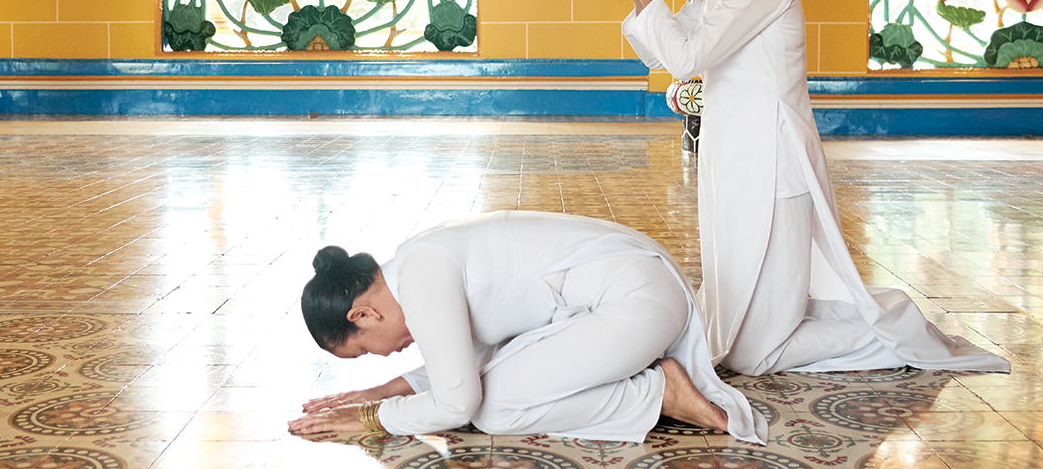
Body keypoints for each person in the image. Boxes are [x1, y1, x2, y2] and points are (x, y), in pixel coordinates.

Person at [615, 0, 1010, 376]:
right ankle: (873, 322)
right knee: (733, 323)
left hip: (774, 172)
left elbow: (687, 58)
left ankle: (897, 330)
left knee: (754, 352)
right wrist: (640, 2)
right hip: (733, 169)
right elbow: (660, 50)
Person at [287, 210, 766, 444]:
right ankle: (652, 386)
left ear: (363, 316)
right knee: (497, 375)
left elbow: (458, 399)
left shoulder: (421, 278)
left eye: (366, 351)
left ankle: (655, 393)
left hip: (634, 303)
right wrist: (384, 390)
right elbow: (465, 360)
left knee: (494, 411)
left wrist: (374, 417)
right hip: (634, 295)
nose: (387, 355)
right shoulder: (415, 261)